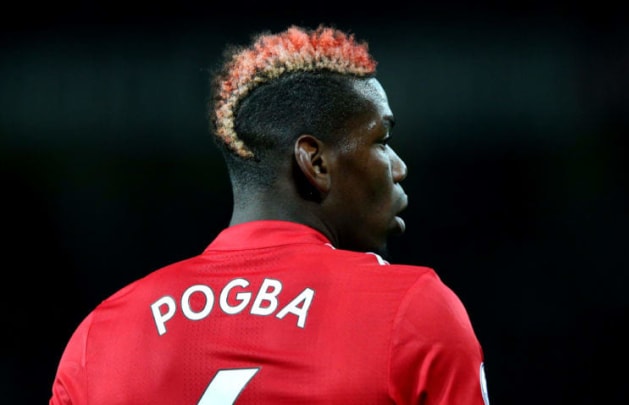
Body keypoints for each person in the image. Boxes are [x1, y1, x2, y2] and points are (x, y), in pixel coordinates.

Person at [49, 24, 491, 404]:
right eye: (381, 140)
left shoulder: (101, 335)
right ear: (315, 163)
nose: (399, 166)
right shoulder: (410, 312)